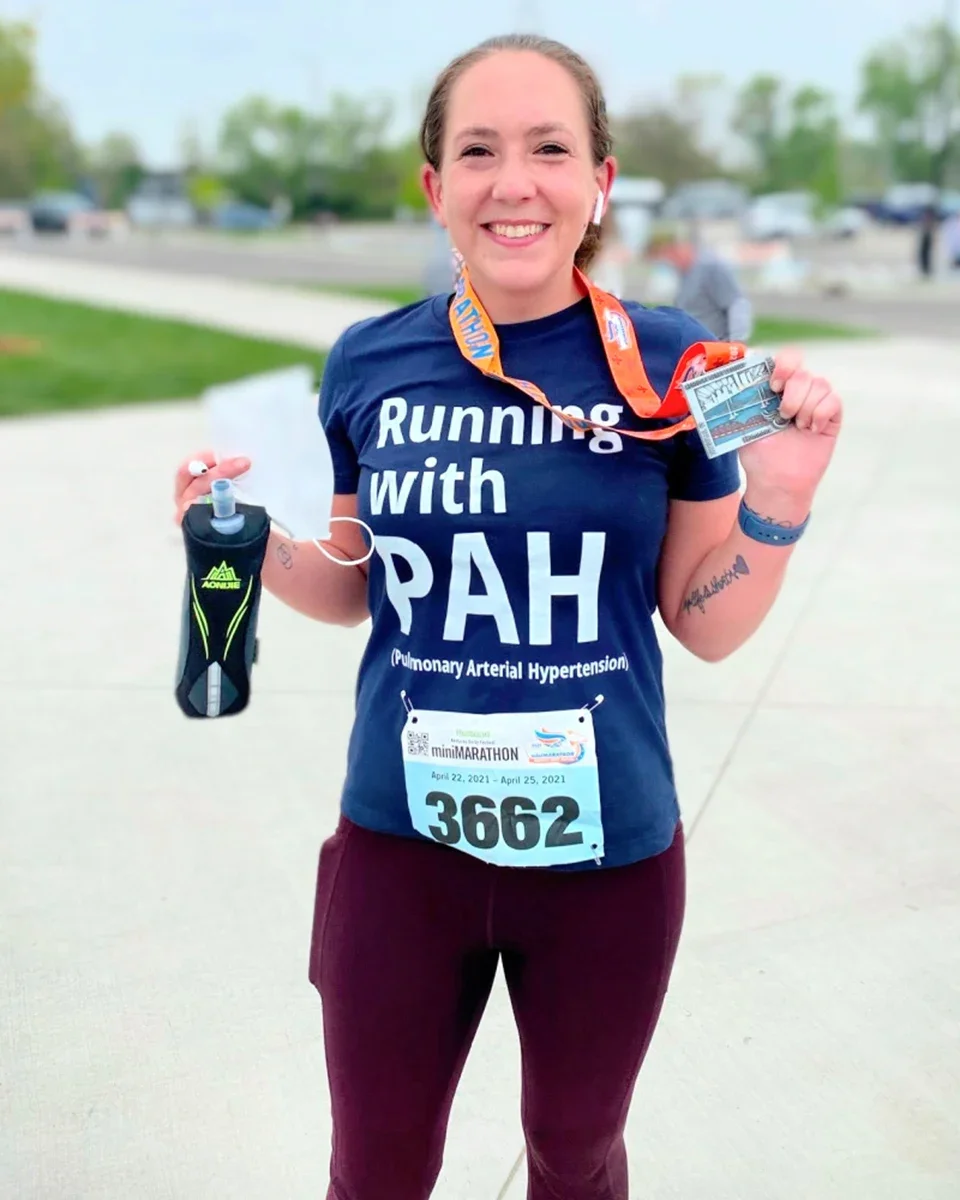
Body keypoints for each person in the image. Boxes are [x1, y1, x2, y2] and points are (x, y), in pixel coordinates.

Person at [173, 33, 843, 1200]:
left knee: (576, 1158)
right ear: (437, 190)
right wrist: (242, 543)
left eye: (550, 148)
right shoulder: (366, 361)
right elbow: (353, 581)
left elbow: (707, 622)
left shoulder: (689, 363)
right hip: (399, 846)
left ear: (601, 182)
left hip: (607, 858)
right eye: (478, 152)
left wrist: (777, 502)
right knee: (374, 1171)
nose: (514, 181)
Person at [672, 231, 754, 341]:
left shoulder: (710, 267)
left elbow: (737, 303)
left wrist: (737, 342)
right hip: (694, 349)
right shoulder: (683, 275)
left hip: (717, 348)